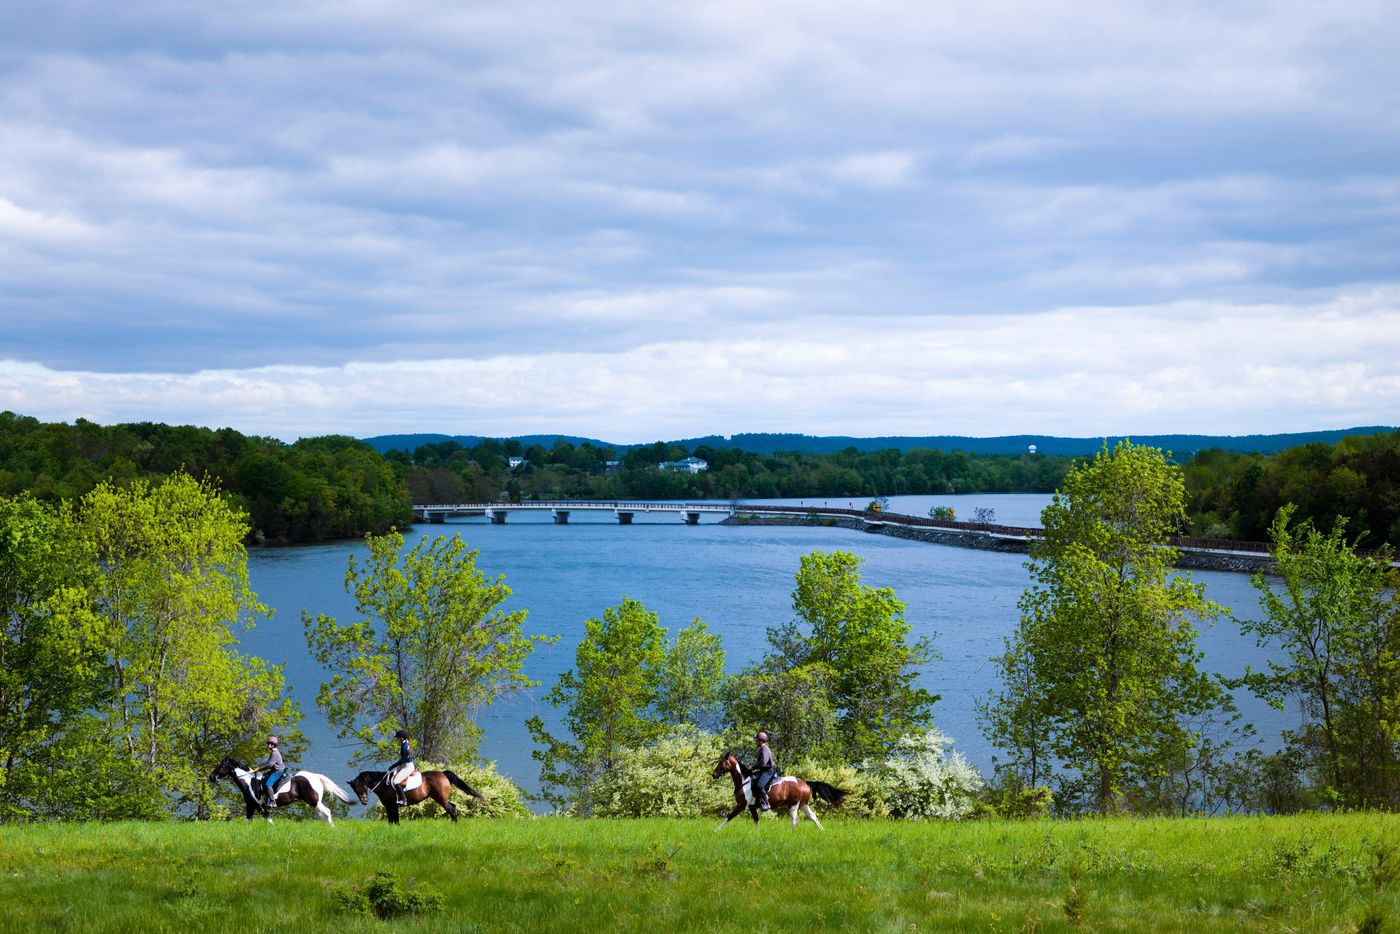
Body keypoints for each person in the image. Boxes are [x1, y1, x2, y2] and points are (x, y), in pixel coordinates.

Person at [254, 735, 285, 808]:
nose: (268, 745)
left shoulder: (275, 753)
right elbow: (268, 762)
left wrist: (259, 769)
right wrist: (260, 767)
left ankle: (273, 801)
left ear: (273, 745)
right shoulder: (273, 752)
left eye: (269, 744)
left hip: (278, 771)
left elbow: (269, 764)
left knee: (268, 784)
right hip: (274, 770)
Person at [388, 728, 415, 806]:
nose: (397, 739)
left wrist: (393, 765)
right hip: (404, 764)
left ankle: (404, 800)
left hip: (407, 766)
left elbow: (403, 759)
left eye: (398, 738)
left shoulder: (404, 746)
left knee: (395, 781)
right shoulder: (405, 743)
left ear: (401, 738)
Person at [752, 730, 776, 811]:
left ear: (761, 741)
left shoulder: (765, 749)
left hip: (768, 771)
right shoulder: (761, 749)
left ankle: (766, 803)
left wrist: (753, 766)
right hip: (763, 770)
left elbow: (763, 763)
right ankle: (757, 801)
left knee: (760, 785)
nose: (756, 741)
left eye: (757, 740)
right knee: (753, 779)